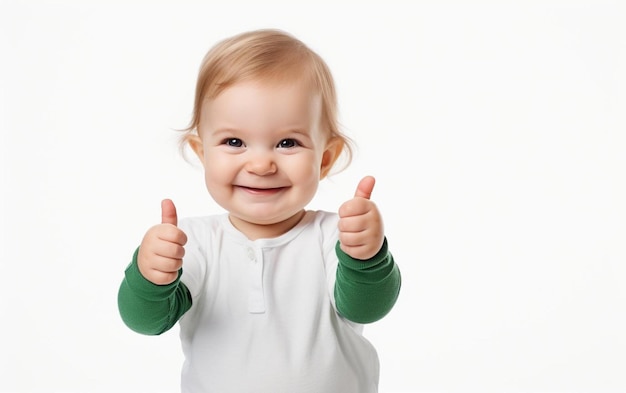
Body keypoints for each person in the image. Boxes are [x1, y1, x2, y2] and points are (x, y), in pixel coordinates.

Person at [117, 28, 401, 393]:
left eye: (287, 143)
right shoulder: (194, 243)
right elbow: (146, 321)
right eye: (234, 142)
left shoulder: (334, 237)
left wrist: (367, 257)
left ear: (325, 159)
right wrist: (150, 275)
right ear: (203, 153)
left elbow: (367, 309)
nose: (261, 164)